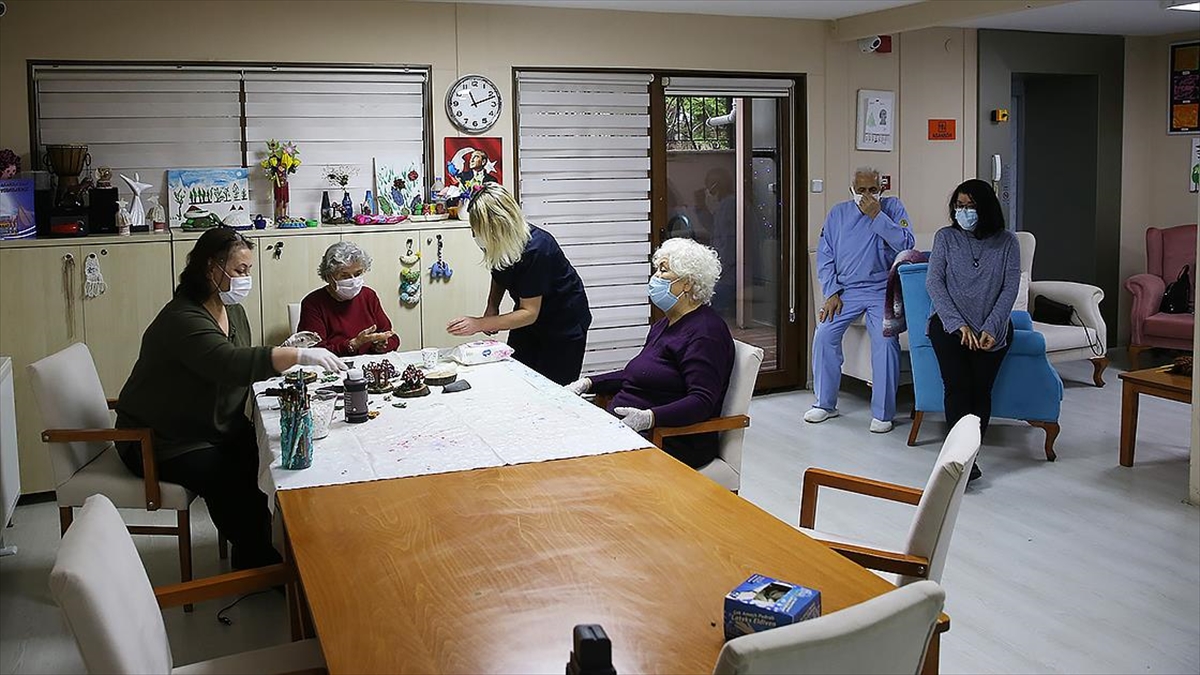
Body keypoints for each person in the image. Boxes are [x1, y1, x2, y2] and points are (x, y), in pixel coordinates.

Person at [114, 228, 346, 570]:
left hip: (212, 427)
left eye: (249, 270)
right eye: (239, 271)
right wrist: (295, 355)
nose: (246, 278)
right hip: (163, 440)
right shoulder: (182, 318)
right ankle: (261, 565)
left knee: (273, 455)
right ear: (211, 269)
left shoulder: (230, 310)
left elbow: (243, 362)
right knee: (229, 478)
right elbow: (228, 364)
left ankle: (276, 546)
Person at [566, 239, 735, 470]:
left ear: (687, 283)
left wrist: (649, 417)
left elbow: (702, 401)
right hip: (633, 430)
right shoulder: (665, 324)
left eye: (663, 270)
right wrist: (588, 383)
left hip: (672, 440)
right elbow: (640, 374)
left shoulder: (705, 333)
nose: (655, 277)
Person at [448, 183, 592, 385]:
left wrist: (479, 323)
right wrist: (492, 307)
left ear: (497, 225)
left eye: (477, 230)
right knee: (517, 376)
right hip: (530, 320)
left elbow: (529, 313)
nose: (474, 235)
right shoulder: (498, 242)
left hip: (563, 323)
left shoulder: (536, 249)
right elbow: (499, 272)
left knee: (552, 390)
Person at [807, 166, 915, 433]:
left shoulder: (893, 208)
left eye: (873, 190)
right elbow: (825, 256)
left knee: (886, 338)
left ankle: (883, 412)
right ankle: (825, 403)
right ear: (852, 190)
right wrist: (831, 292)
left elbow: (907, 245)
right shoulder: (838, 214)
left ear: (882, 189)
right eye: (861, 190)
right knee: (824, 333)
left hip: (882, 289)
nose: (867, 195)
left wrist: (877, 216)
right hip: (846, 290)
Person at [926, 179, 1020, 481]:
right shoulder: (945, 238)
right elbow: (934, 283)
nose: (964, 212)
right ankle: (957, 462)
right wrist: (957, 324)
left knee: (981, 392)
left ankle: (971, 456)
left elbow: (1010, 288)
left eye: (970, 206)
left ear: (986, 208)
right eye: (959, 206)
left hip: (991, 330)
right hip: (949, 326)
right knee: (957, 389)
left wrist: (992, 326)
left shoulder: (1007, 242)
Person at [297, 241, 399, 356]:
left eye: (358, 274)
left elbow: (392, 338)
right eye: (344, 276)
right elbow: (312, 352)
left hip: (368, 367)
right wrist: (353, 344)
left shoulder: (369, 295)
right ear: (329, 277)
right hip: (332, 367)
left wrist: (382, 345)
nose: (353, 281)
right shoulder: (313, 303)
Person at [696, 167, 737, 317]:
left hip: (730, 275)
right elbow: (714, 227)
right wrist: (701, 207)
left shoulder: (730, 205)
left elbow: (728, 244)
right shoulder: (725, 205)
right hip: (727, 271)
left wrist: (717, 272)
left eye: (710, 184)